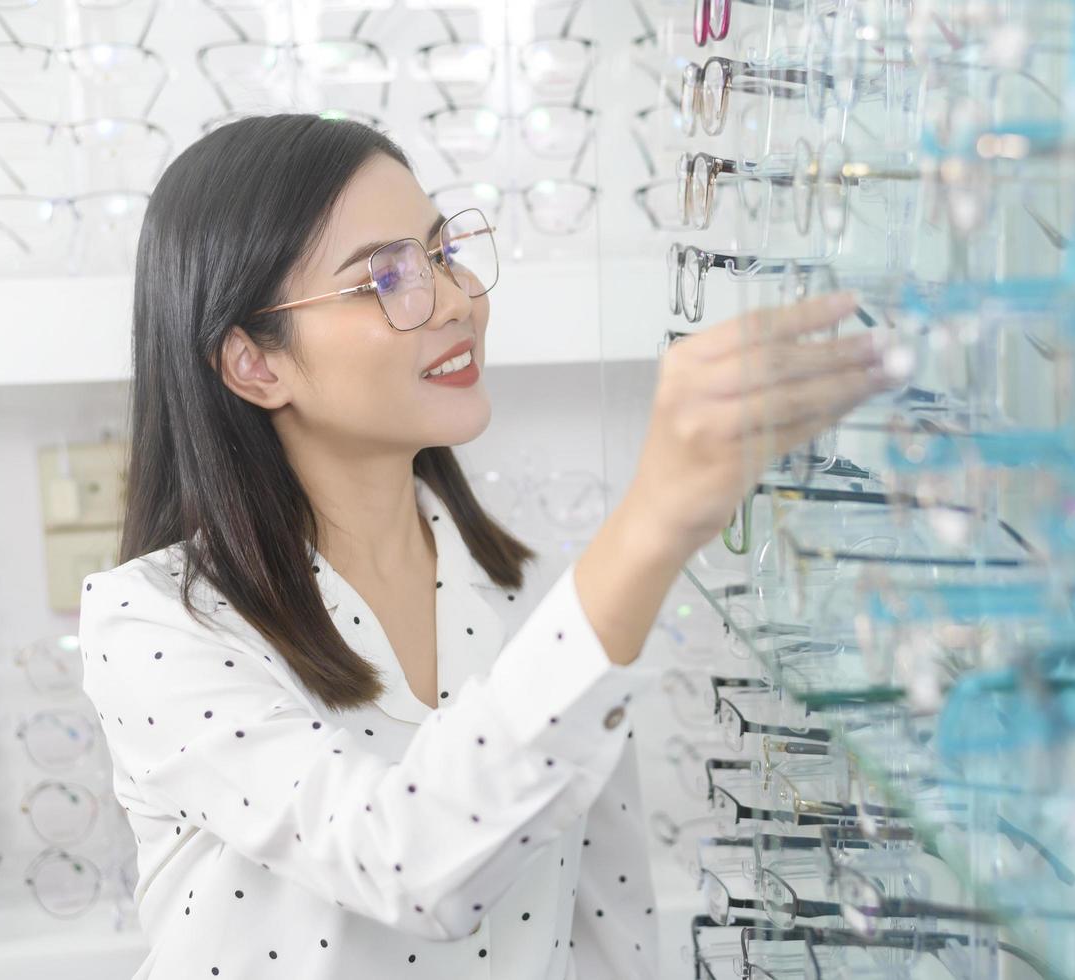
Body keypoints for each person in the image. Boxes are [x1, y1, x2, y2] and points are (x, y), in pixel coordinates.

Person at [77, 113, 897, 980]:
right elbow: (401, 862)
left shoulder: (535, 594)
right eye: (384, 277)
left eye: (441, 252)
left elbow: (609, 918)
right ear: (254, 365)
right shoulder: (155, 622)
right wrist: (652, 521)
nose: (457, 298)